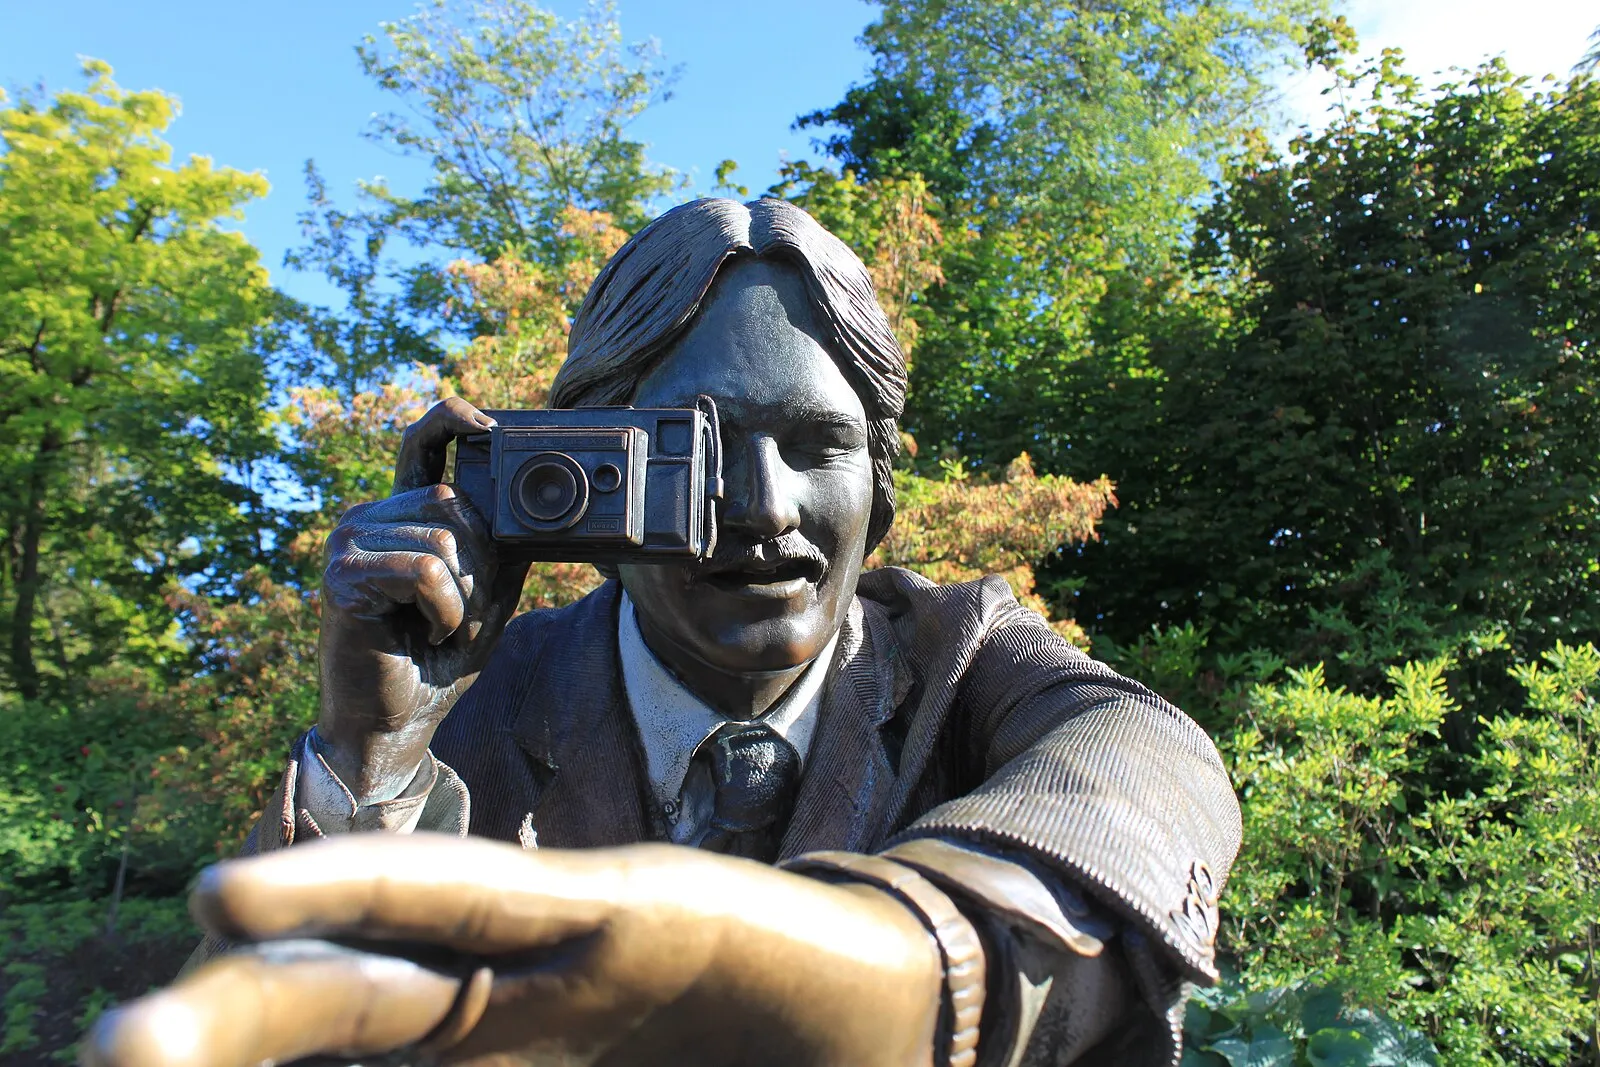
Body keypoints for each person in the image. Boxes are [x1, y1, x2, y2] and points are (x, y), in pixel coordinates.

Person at [85, 198, 1240, 1067]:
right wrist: (367, 760)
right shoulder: (486, 701)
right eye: (695, 446)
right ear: (586, 472)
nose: (767, 507)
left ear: (881, 486)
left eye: (816, 444)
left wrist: (918, 966)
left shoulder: (960, 652)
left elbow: (1146, 759)